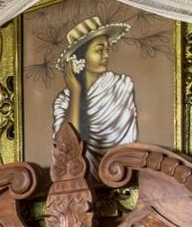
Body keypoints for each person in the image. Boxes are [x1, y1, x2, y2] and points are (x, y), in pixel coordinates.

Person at [51, 15, 138, 166]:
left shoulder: (121, 86)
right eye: (99, 50)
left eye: (107, 49)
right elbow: (65, 148)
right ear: (80, 57)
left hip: (120, 171)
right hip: (79, 176)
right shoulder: (64, 100)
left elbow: (127, 145)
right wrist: (75, 92)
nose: (106, 55)